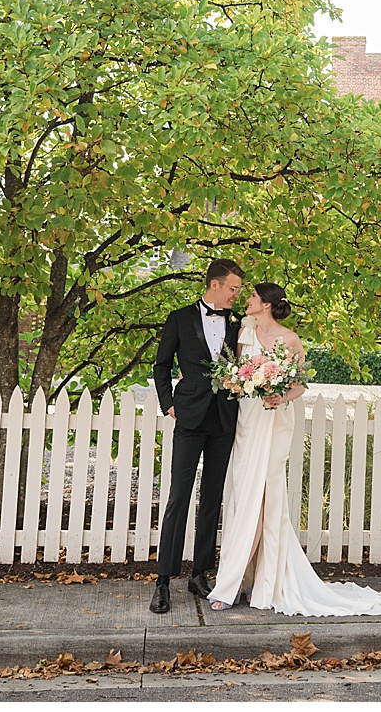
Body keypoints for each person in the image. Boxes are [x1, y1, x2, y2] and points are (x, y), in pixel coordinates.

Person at [205, 282, 381, 617]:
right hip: (248, 420)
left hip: (276, 420)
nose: (247, 300)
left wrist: (279, 394)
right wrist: (241, 382)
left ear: (266, 304)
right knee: (242, 495)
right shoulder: (243, 333)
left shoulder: (290, 339)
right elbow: (235, 375)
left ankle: (236, 582)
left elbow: (298, 386)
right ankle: (247, 577)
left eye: (252, 296)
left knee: (264, 497)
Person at [150, 258, 245, 614]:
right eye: (233, 288)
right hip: (189, 417)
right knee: (178, 498)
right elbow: (161, 365)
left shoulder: (237, 325)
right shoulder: (179, 318)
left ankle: (199, 573)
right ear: (215, 285)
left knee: (212, 500)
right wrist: (168, 404)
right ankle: (163, 581)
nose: (237, 294)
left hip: (223, 420)